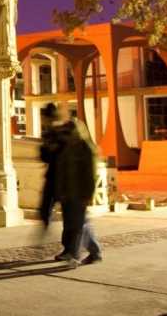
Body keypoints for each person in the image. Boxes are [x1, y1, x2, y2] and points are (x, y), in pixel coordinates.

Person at [52, 113, 102, 268]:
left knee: (78, 225)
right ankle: (94, 252)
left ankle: (74, 255)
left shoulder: (86, 148)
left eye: (69, 131)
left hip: (79, 193)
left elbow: (91, 174)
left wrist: (89, 194)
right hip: (67, 193)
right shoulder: (67, 148)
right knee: (76, 224)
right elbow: (61, 171)